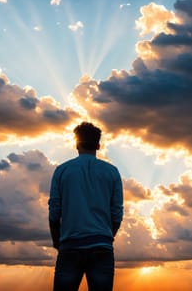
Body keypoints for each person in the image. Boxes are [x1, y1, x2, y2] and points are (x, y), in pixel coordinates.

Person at [48, 122, 124, 291]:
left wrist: (57, 241)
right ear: (98, 145)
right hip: (102, 247)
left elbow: (54, 212)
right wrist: (106, 237)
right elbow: (117, 213)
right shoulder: (112, 172)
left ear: (76, 144)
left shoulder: (62, 170)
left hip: (69, 246)